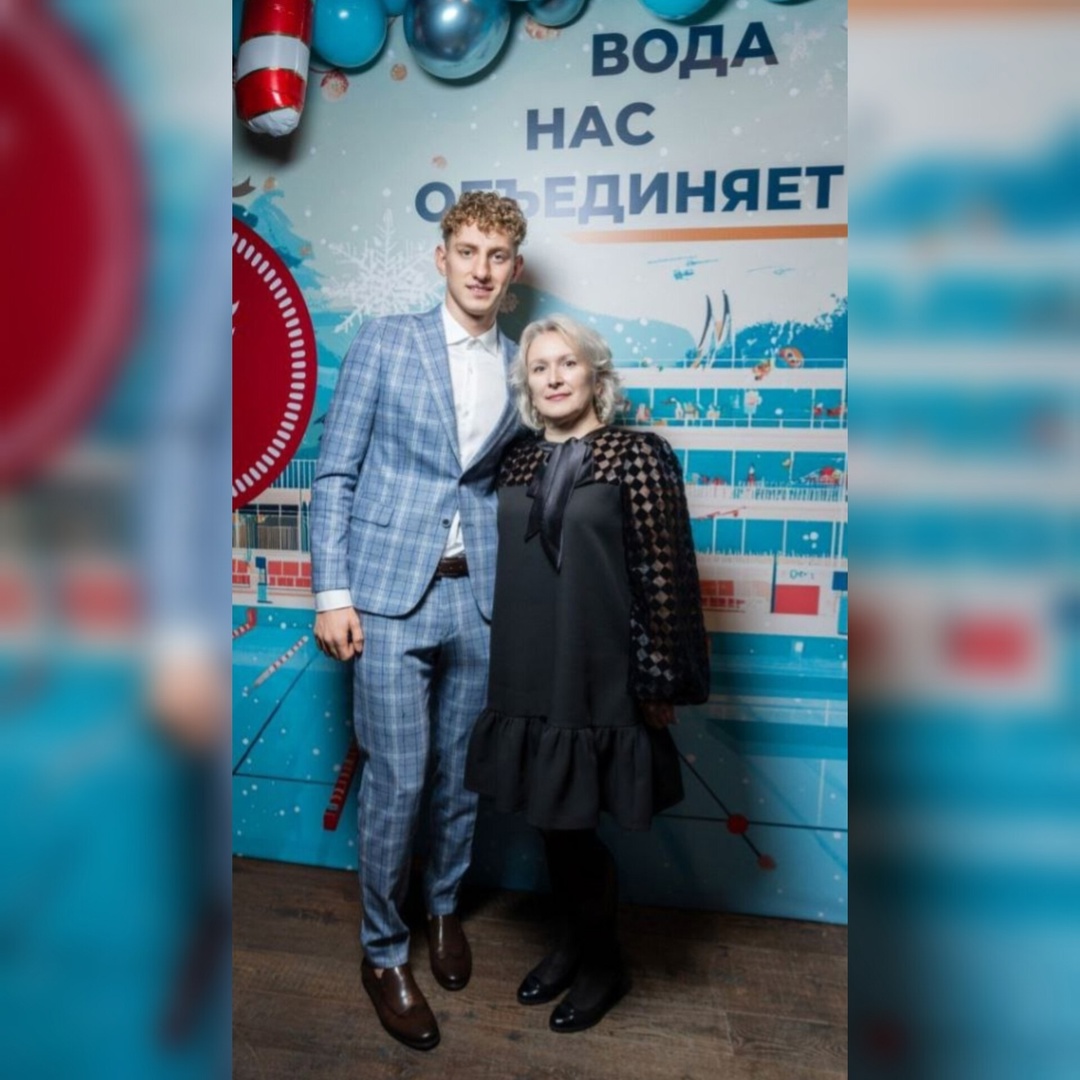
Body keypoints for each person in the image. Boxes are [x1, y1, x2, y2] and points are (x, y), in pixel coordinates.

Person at [310, 191, 527, 1051]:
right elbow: (335, 472)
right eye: (467, 250)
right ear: (442, 257)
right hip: (386, 597)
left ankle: (442, 909)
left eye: (497, 255)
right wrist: (332, 593)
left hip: (479, 597)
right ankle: (383, 951)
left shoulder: (521, 364)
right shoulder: (385, 341)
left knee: (462, 777)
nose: (481, 268)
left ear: (514, 269)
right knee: (398, 778)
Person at [464, 314, 710, 1034]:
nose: (554, 377)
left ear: (594, 373)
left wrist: (660, 680)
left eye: (567, 363)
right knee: (549, 820)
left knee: (573, 825)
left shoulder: (637, 455)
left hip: (597, 666)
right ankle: (573, 943)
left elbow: (665, 571)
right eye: (539, 367)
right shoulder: (515, 461)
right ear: (527, 384)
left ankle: (602, 961)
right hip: (524, 664)